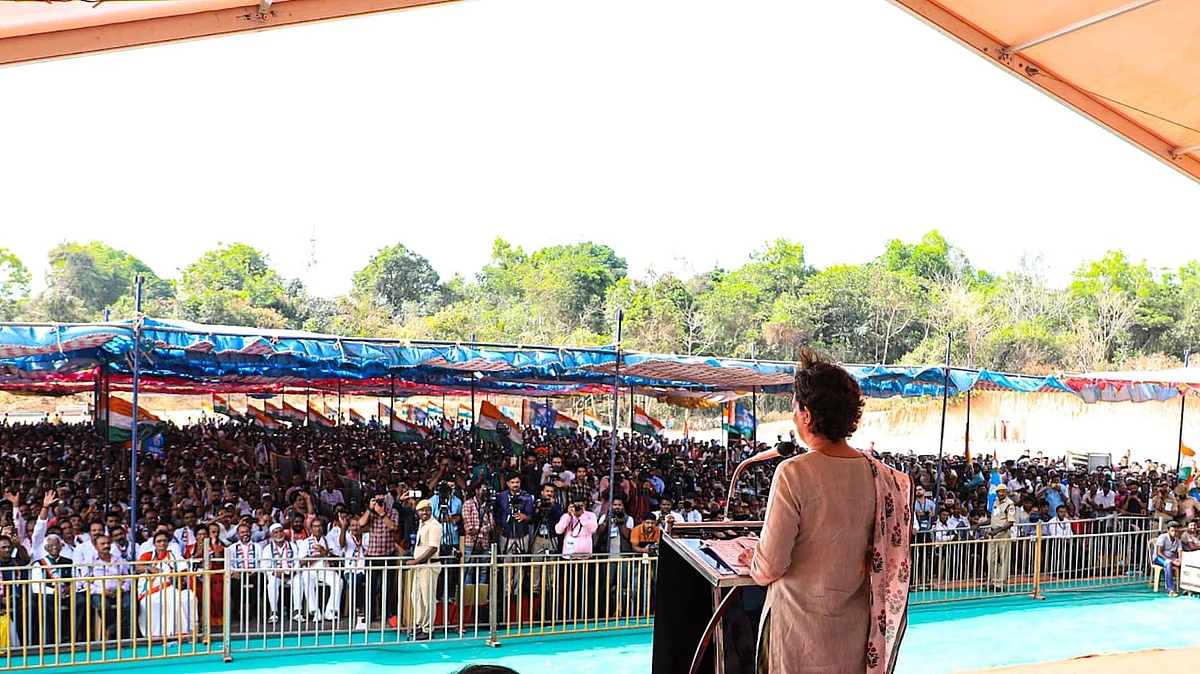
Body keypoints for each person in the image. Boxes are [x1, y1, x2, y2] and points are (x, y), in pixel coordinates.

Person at [740, 348, 913, 674]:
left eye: (794, 408)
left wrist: (750, 557)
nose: (793, 416)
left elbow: (768, 568)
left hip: (797, 638)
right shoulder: (880, 476)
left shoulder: (794, 473)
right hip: (853, 639)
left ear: (807, 414)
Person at [135, 531, 198, 638]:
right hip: (152, 587)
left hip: (171, 586)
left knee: (189, 598)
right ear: (154, 544)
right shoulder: (148, 555)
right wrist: (149, 568)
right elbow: (137, 568)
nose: (162, 544)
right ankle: (156, 633)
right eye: (159, 541)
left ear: (168, 543)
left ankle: (182, 631)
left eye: (164, 541)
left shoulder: (174, 555)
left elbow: (183, 570)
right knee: (154, 601)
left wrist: (177, 577)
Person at [406, 499, 442, 640]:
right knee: (416, 597)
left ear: (431, 510)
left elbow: (433, 548)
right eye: (421, 510)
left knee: (428, 599)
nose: (424, 512)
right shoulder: (422, 524)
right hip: (421, 565)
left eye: (427, 509)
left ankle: (428, 629)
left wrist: (416, 561)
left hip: (429, 564)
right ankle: (420, 625)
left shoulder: (434, 525)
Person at [1154, 521, 1183, 597]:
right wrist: (1172, 560)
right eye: (1172, 531)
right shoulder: (1163, 537)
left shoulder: (1178, 541)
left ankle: (1186, 587)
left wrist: (1180, 560)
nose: (1174, 533)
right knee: (1168, 563)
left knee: (1185, 563)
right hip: (1159, 558)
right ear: (1168, 531)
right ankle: (1171, 590)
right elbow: (1159, 552)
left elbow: (1180, 552)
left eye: (1176, 531)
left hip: (1171, 558)